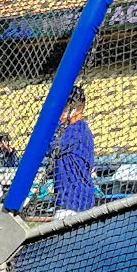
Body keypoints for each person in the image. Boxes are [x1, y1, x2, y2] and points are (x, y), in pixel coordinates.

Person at [49, 89, 97, 218]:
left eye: (63, 111)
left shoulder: (75, 130)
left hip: (72, 204)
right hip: (76, 202)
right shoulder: (78, 130)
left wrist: (57, 123)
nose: (60, 115)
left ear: (74, 111)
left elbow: (50, 147)